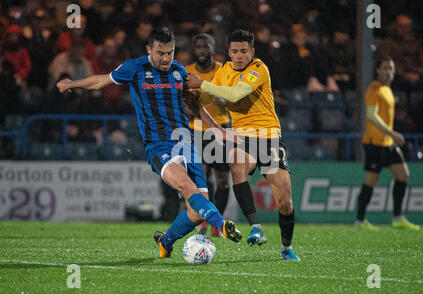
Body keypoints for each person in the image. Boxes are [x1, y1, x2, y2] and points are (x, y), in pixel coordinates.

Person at [56, 26, 243, 258]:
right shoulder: (134, 68)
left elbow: (193, 104)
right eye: (161, 53)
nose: (166, 58)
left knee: (197, 211)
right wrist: (71, 84)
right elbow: (101, 81)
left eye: (170, 53)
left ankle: (166, 241)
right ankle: (222, 225)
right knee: (186, 186)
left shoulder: (178, 71)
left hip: (186, 142)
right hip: (158, 145)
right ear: (149, 50)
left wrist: (217, 129)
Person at [187, 29, 300, 261]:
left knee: (285, 203)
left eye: (244, 51)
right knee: (237, 165)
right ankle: (255, 227)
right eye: (235, 51)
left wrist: (204, 85)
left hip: (268, 136)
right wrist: (192, 93)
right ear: (228, 52)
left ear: (252, 52)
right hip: (242, 136)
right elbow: (207, 98)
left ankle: (286, 248)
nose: (239, 56)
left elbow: (237, 94)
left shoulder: (258, 69)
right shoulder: (224, 71)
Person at [355, 56, 420, 231]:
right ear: (378, 70)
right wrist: (391, 132)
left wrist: (390, 136)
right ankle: (359, 220)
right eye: (384, 68)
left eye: (391, 68)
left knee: (403, 174)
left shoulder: (388, 90)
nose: (388, 71)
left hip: (387, 143)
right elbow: (371, 115)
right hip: (374, 142)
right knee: (371, 180)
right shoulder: (374, 89)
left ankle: (397, 218)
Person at [185, 33, 231, 237]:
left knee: (222, 180)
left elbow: (234, 98)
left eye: (206, 46)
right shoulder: (187, 72)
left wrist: (224, 99)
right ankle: (203, 219)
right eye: (199, 47)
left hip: (221, 128)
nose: (202, 51)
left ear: (213, 48)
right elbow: (182, 102)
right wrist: (190, 106)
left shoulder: (224, 70)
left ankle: (217, 223)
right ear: (194, 50)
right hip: (196, 129)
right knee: (201, 178)